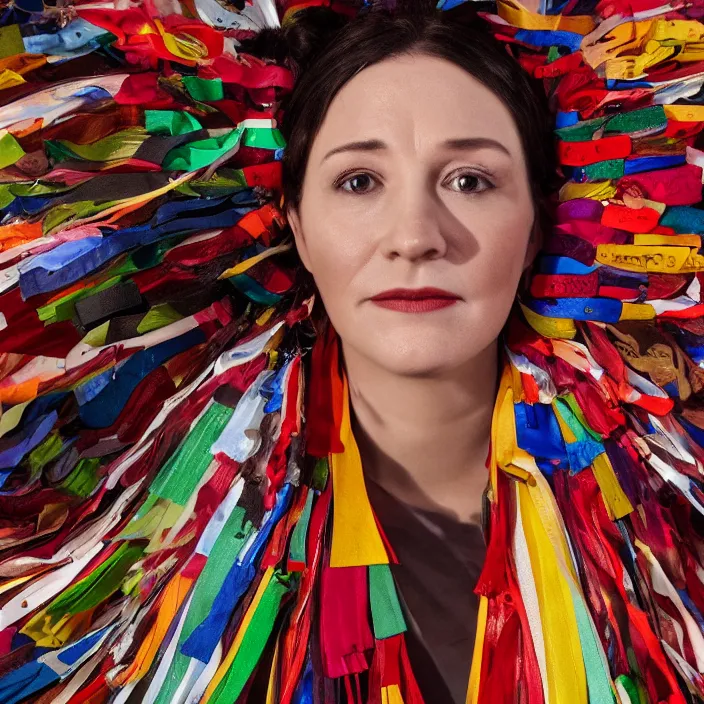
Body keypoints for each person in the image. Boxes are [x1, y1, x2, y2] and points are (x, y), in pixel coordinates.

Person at [0, 0, 702, 703]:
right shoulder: (151, 548)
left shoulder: (669, 528)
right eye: (359, 181)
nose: (416, 236)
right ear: (298, 229)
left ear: (536, 232)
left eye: (471, 180)